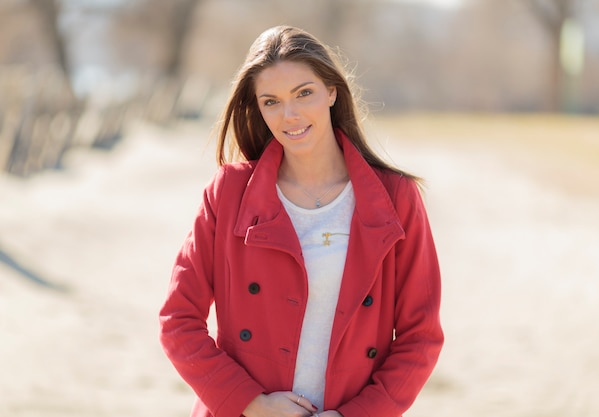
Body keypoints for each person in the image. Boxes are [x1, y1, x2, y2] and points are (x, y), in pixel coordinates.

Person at [159, 25, 443, 417]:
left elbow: (420, 338)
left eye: (303, 93)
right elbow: (178, 320)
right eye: (271, 101)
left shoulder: (396, 198)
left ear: (332, 91)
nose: (289, 115)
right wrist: (252, 403)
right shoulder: (229, 193)